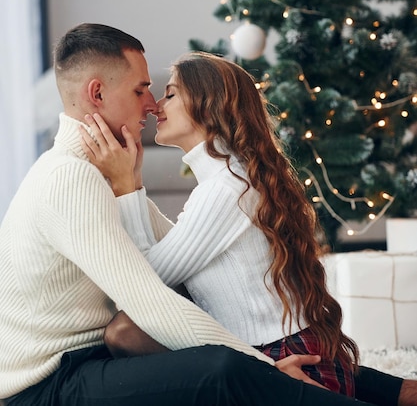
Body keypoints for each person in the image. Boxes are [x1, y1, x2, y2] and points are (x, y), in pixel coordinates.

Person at [0, 23, 411, 406]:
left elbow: (163, 256)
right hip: (50, 380)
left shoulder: (103, 173)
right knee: (221, 365)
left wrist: (130, 186)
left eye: (160, 91)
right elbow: (151, 297)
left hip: (88, 357)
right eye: (141, 89)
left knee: (203, 348)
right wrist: (268, 371)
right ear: (97, 94)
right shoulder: (73, 178)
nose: (151, 103)